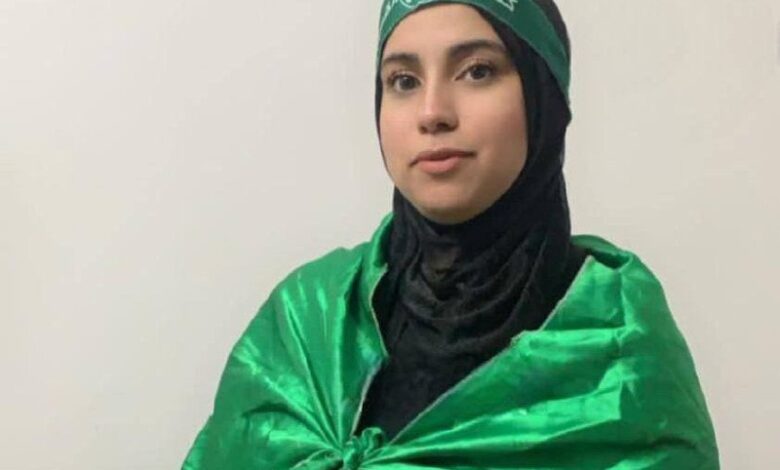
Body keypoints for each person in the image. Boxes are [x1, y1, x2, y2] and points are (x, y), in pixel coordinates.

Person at [182, 1, 719, 468]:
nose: (432, 113)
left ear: (543, 96)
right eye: (403, 81)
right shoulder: (307, 325)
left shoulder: (617, 349)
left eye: (477, 71)